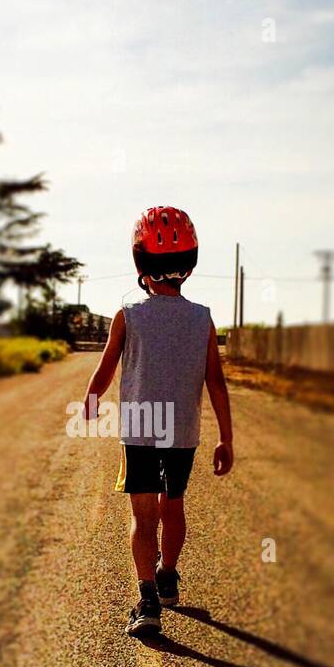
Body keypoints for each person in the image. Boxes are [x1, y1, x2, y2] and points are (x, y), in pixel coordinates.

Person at [83, 207, 234, 637]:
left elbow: (106, 366)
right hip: (182, 432)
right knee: (174, 507)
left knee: (143, 516)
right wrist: (226, 438)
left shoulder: (127, 313)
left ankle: (147, 600)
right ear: (190, 263)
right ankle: (168, 573)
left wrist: (91, 400)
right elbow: (217, 383)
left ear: (140, 263)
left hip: (140, 430)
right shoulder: (202, 318)